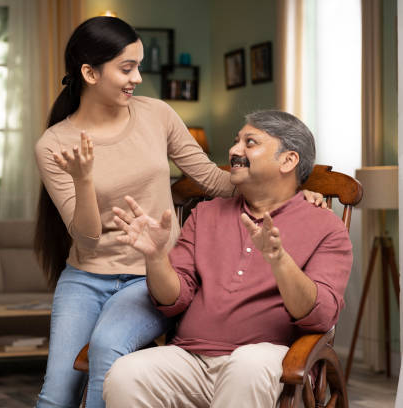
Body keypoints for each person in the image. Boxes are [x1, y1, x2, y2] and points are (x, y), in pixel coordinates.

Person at [33, 16, 324, 408]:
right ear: (89, 73)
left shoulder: (157, 115)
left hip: (150, 277)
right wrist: (84, 180)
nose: (137, 77)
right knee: (56, 395)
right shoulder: (55, 143)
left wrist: (294, 194)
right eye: (126, 68)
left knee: (106, 348)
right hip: (84, 278)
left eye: (138, 66)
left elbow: (212, 179)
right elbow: (85, 238)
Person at [102, 110, 353, 407]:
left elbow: (321, 315)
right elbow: (175, 299)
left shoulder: (326, 227)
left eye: (250, 142)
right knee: (126, 373)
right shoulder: (205, 214)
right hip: (191, 357)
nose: (234, 151)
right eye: (236, 141)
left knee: (248, 364)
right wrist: (156, 258)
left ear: (288, 160)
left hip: (271, 361)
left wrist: (279, 261)